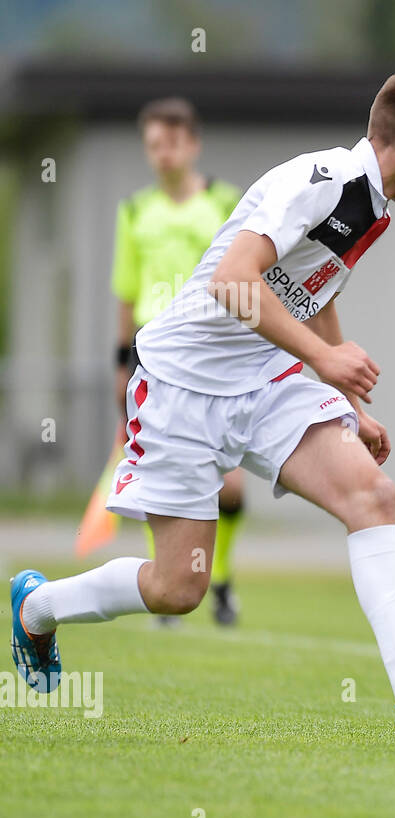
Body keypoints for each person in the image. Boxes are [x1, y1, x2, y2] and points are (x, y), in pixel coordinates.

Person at [11, 71, 395, 744]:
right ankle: (37, 607)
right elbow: (231, 281)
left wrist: (347, 399)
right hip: (181, 382)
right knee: (180, 588)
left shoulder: (374, 205)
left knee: (372, 496)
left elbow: (310, 290)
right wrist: (325, 361)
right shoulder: (322, 180)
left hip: (264, 378)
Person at [111, 97, 245, 626]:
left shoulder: (226, 202)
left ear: (193, 144)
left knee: (229, 484)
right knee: (159, 477)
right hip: (154, 357)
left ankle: (223, 579)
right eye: (153, 145)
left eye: (171, 143)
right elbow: (125, 296)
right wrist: (121, 369)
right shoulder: (134, 211)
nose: (162, 154)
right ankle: (166, 582)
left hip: (210, 351)